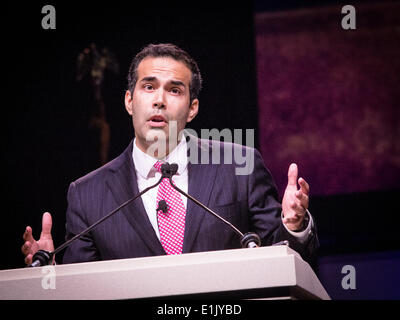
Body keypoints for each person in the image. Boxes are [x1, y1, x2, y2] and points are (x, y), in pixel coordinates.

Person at [21, 43, 318, 266]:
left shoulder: (239, 165)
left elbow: (286, 260)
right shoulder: (87, 194)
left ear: (192, 109)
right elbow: (84, 289)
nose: (159, 100)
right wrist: (50, 274)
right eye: (148, 87)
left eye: (174, 90)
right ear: (129, 101)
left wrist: (293, 225)